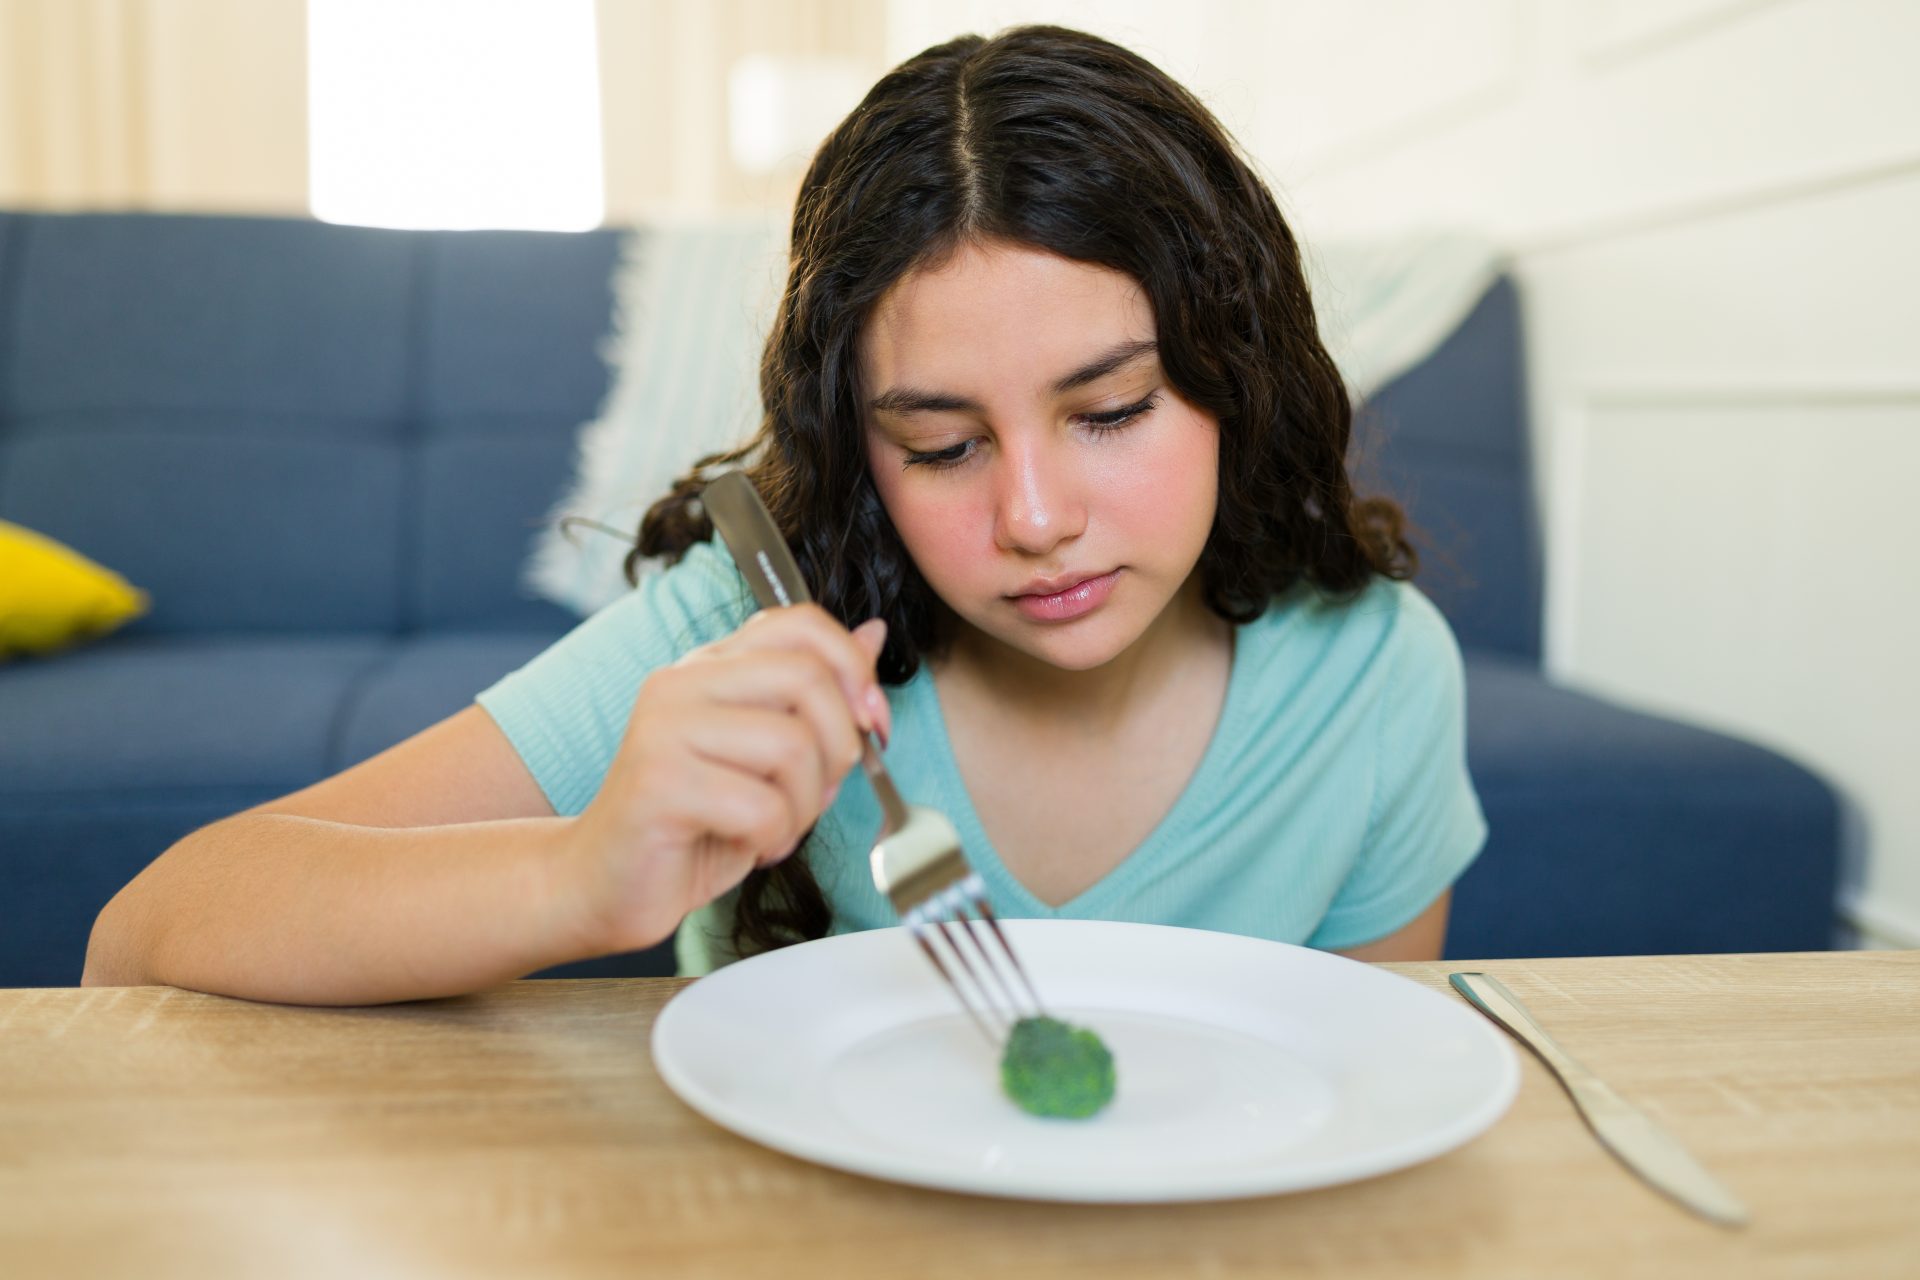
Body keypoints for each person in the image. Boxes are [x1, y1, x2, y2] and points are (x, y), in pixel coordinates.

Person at [83, 25, 1485, 1005]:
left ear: (1238, 379)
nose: (1037, 516)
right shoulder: (754, 632)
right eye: (940, 444)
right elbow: (147, 934)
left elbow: (1364, 1087)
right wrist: (581, 877)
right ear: (856, 448)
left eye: (1109, 412)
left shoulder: (1371, 674)